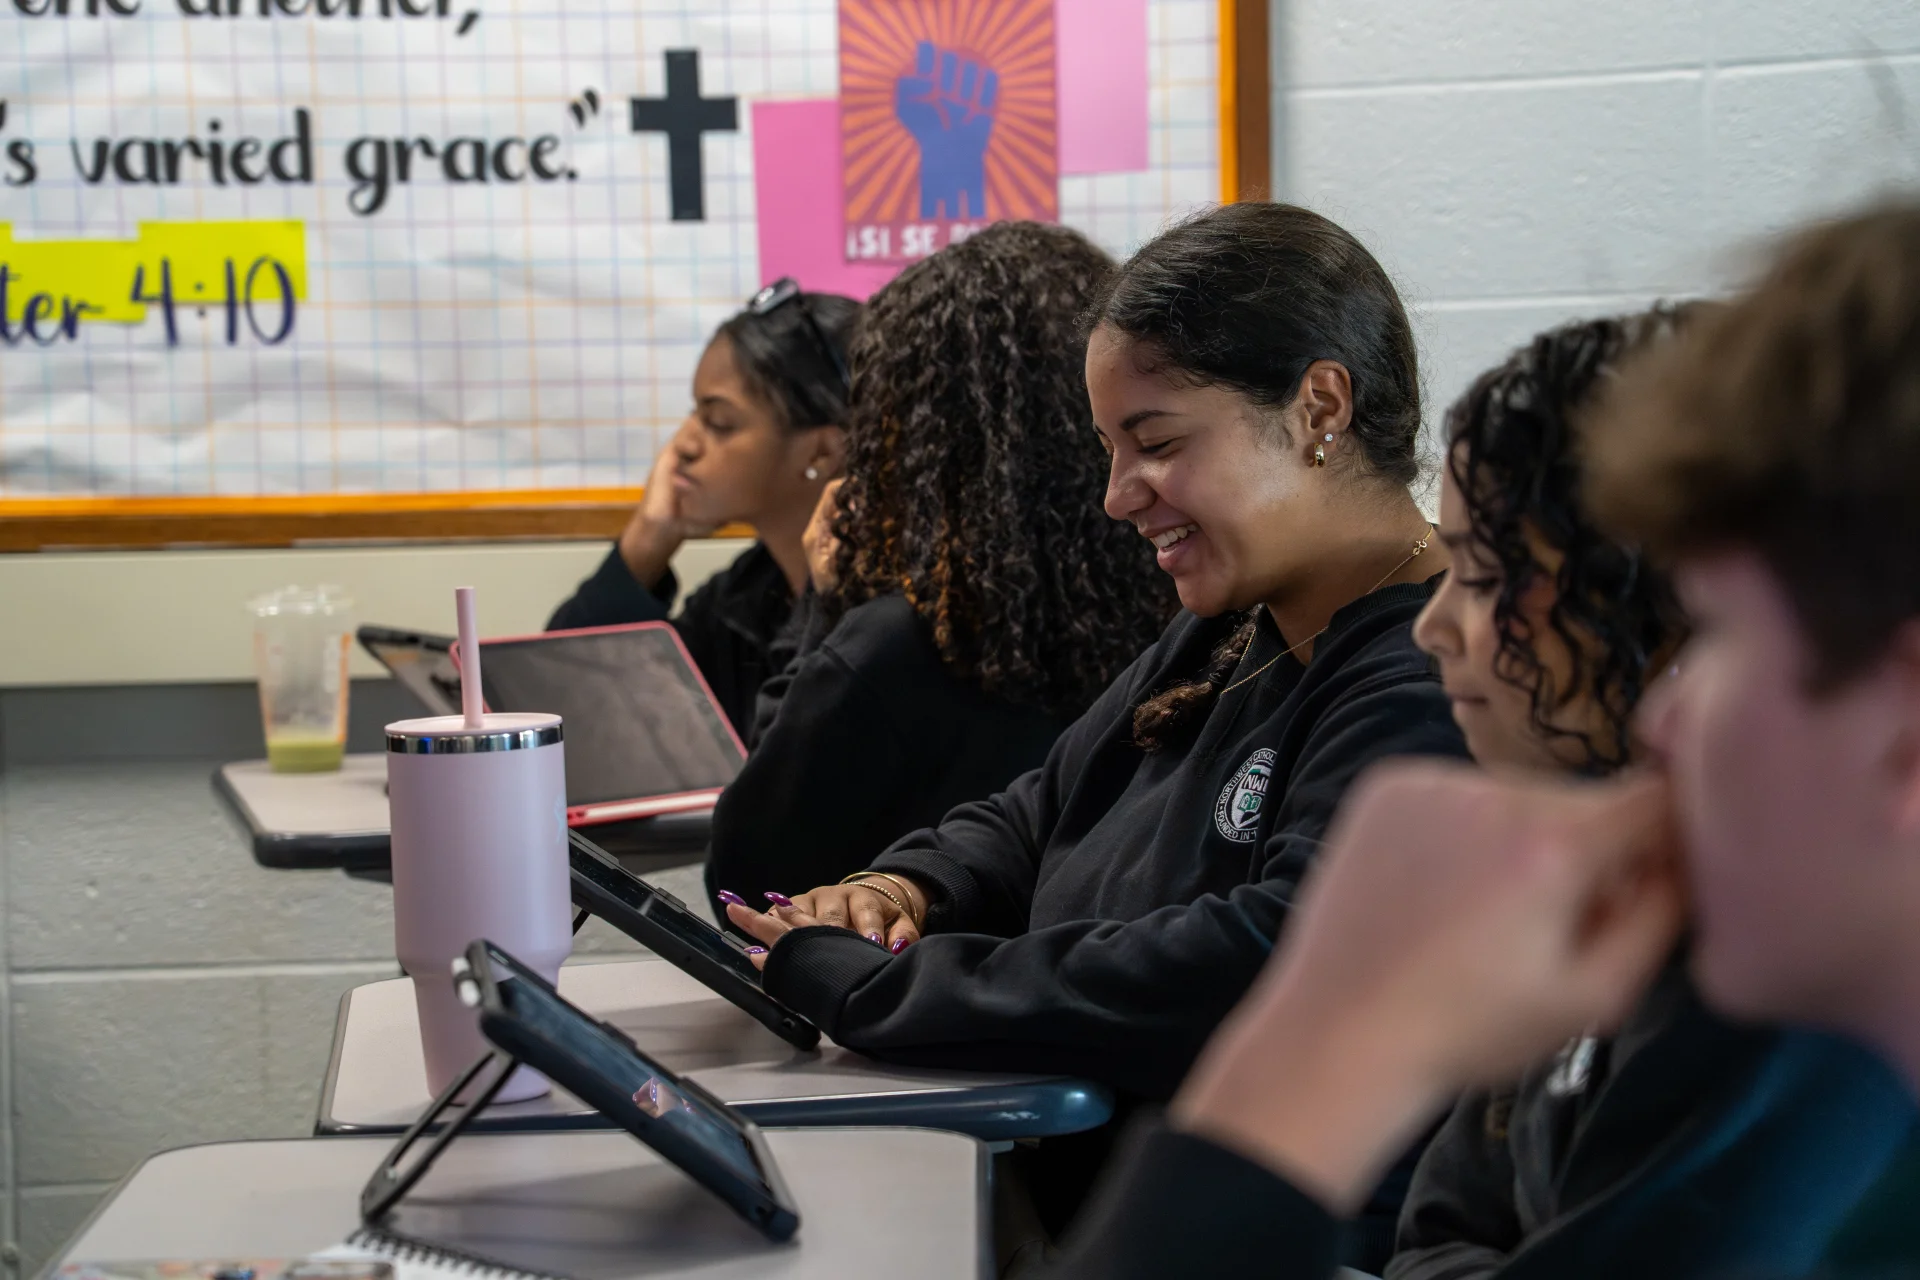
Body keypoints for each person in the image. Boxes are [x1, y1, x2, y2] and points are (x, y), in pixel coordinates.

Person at [1053, 203, 1920, 1279]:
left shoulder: (1818, 1067)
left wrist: (1329, 1051)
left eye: (1724, 632)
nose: (1668, 712)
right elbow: (1441, 1231)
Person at [723, 202, 1468, 1242]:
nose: (1119, 496)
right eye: (1110, 448)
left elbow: (1252, 960)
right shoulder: (1233, 628)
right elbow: (1036, 812)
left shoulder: (1430, 679)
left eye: (1155, 442)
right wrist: (904, 886)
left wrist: (891, 986)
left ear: (1319, 407)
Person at [1380, 308, 1909, 1280]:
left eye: (1487, 574)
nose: (1432, 627)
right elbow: (1436, 1230)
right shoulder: (1616, 879)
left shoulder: (1799, 971)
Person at [704, 223, 1176, 911]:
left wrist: (822, 608)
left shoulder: (890, 646)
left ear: (917, 431)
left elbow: (744, 881)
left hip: (907, 994)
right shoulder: (1181, 610)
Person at [547, 279, 859, 735]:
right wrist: (648, 539)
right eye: (695, 413)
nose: (684, 444)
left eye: (719, 422)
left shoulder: (880, 615)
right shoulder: (744, 598)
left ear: (820, 453)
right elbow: (563, 705)